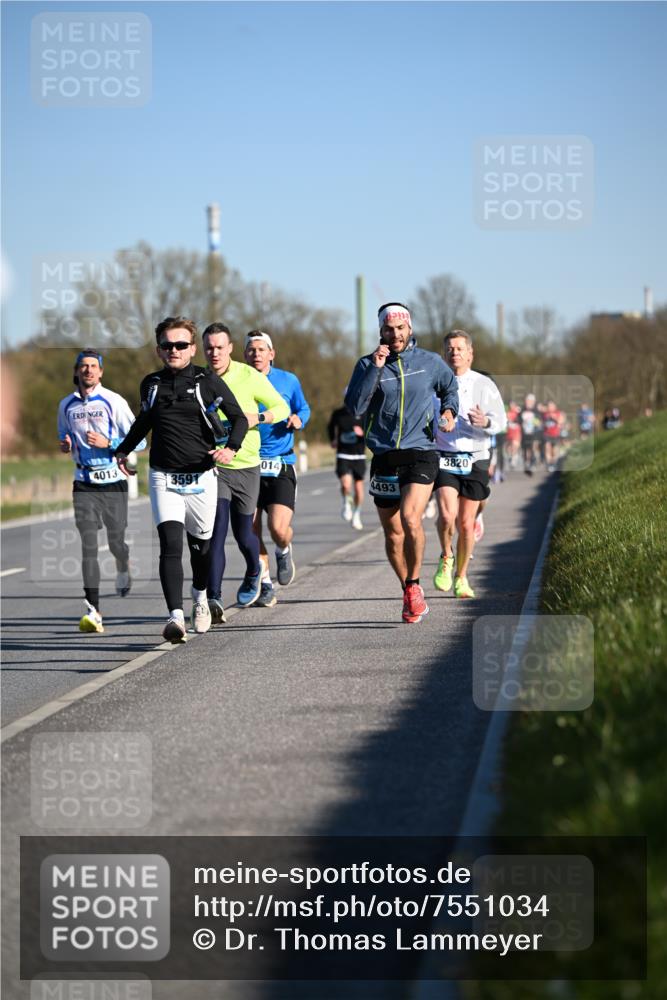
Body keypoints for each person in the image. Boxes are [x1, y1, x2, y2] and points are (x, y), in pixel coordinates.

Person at [115, 317, 248, 642]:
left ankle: (200, 598)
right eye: (167, 345)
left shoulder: (207, 381)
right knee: (170, 545)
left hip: (202, 478)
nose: (173, 350)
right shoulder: (151, 383)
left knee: (200, 549)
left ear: (192, 348)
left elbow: (239, 419)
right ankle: (175, 616)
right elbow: (143, 420)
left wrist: (230, 449)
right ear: (159, 349)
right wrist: (122, 451)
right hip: (164, 477)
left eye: (181, 345)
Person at [345, 302, 458, 624]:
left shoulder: (430, 362)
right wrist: (374, 369)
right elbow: (355, 405)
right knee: (393, 534)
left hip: (421, 451)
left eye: (400, 329)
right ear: (380, 332)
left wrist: (449, 413)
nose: (395, 334)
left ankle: (414, 584)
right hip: (383, 456)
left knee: (411, 518)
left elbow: (449, 389)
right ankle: (409, 589)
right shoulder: (367, 364)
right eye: (388, 329)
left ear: (409, 329)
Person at [203, 323, 289, 616]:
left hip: (247, 465)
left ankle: (255, 568)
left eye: (219, 347)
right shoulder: (199, 380)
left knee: (244, 534)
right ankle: (212, 599)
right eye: (209, 348)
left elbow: (282, 408)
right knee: (216, 531)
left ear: (229, 349)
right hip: (214, 468)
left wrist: (259, 416)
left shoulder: (248, 375)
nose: (214, 353)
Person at [58, 349, 145, 633]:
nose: (88, 371)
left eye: (93, 366)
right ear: (76, 370)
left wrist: (108, 442)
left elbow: (140, 442)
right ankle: (93, 610)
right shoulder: (66, 406)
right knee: (89, 545)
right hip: (83, 482)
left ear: (101, 372)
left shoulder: (113, 401)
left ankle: (122, 563)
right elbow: (63, 436)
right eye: (83, 366)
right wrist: (66, 445)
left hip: (113, 482)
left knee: (116, 541)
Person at [432, 332, 507, 599]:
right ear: (444, 355)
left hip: (475, 457)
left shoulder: (484, 384)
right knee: (447, 515)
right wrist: (438, 424)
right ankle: (446, 556)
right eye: (450, 349)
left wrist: (484, 422)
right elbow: (423, 418)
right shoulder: (434, 383)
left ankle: (462, 577)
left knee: (465, 523)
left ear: (470, 353)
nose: (455, 353)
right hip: (444, 456)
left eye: (460, 349)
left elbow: (501, 421)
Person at [243, 331, 311, 592]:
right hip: (247, 463)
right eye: (251, 350)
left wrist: (298, 419)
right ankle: (265, 582)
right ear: (244, 355)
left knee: (278, 528)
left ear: (271, 354)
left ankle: (283, 549)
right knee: (250, 530)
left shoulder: (287, 380)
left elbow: (303, 407)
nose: (256, 354)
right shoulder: (237, 381)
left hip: (280, 462)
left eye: (261, 349)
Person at [327, 402, 366, 530]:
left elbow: (373, 429)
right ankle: (346, 503)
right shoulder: (339, 413)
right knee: (345, 484)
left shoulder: (363, 413)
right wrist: (333, 439)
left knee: (359, 490)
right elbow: (331, 426)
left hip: (359, 456)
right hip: (343, 454)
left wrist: (363, 433)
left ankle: (356, 514)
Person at [519, 393, 540, 475]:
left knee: (532, 448)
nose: (528, 402)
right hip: (524, 433)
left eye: (530, 401)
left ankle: (532, 462)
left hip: (534, 433)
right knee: (525, 449)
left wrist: (534, 421)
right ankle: (527, 463)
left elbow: (539, 422)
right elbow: (519, 420)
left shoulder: (536, 411)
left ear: (533, 402)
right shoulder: (522, 410)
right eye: (527, 401)